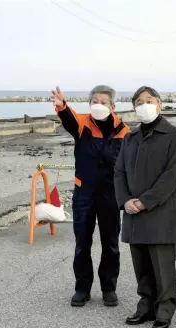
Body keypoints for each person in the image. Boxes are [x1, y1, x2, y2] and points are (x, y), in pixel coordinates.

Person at [114, 86, 176, 328]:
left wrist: (145, 201)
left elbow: (172, 174)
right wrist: (125, 200)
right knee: (141, 263)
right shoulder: (129, 138)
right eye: (139, 102)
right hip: (133, 212)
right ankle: (145, 305)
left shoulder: (175, 136)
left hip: (160, 211)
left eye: (149, 100)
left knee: (161, 264)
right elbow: (119, 172)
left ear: (160, 105)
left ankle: (164, 309)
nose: (143, 105)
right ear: (134, 108)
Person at [51, 85, 130, 307]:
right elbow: (69, 118)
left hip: (111, 194)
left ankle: (109, 288)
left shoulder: (124, 131)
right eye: (94, 101)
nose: (98, 105)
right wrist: (62, 106)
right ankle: (82, 288)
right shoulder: (82, 123)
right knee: (82, 243)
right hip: (84, 193)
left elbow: (130, 165)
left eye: (103, 102)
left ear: (113, 106)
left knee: (110, 243)